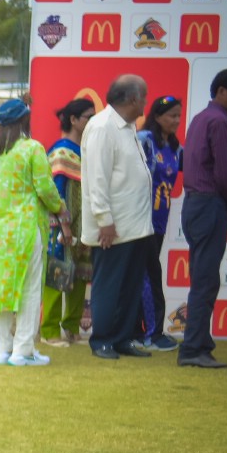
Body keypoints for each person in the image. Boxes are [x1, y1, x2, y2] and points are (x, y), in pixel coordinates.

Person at [0, 97, 69, 366]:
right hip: (25, 226)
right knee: (29, 288)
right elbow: (45, 188)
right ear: (25, 120)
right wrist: (60, 208)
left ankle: (1, 349)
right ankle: (22, 350)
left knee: (0, 288)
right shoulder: (32, 149)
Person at [178, 69, 227, 369]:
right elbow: (223, 173)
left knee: (202, 278)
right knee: (206, 280)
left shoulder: (200, 118)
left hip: (195, 204)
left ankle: (197, 344)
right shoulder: (220, 121)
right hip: (209, 205)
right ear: (221, 91)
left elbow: (207, 166)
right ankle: (193, 349)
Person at [82, 75, 155, 360]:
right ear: (133, 99)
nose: (146, 103)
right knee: (109, 285)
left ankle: (122, 338)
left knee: (130, 286)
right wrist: (105, 221)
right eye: (144, 97)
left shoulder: (126, 126)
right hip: (113, 226)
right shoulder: (102, 127)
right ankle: (101, 340)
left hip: (135, 225)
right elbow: (97, 179)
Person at [41, 98, 95, 346]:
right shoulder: (61, 152)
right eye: (88, 117)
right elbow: (56, 192)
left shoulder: (87, 150)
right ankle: (50, 330)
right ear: (73, 120)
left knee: (81, 275)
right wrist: (63, 225)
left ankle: (72, 327)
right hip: (61, 226)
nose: (92, 121)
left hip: (84, 225)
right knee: (57, 273)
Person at [135, 95, 183, 351]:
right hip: (142, 219)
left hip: (161, 221)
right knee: (148, 275)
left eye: (179, 116)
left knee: (148, 274)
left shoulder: (175, 147)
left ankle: (142, 332)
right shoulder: (145, 140)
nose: (176, 120)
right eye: (171, 115)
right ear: (156, 116)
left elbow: (198, 167)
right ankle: (151, 334)